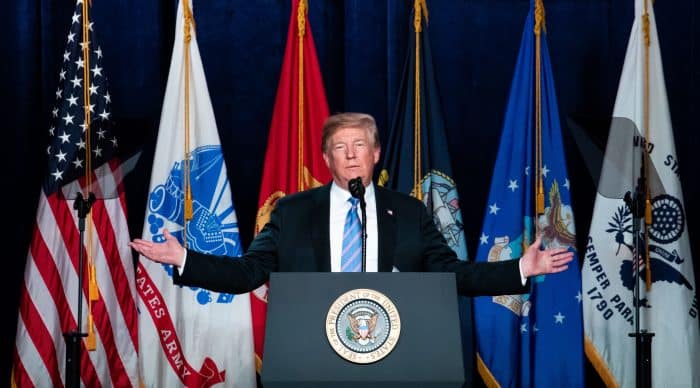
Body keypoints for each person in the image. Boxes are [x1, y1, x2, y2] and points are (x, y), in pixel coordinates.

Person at [130, 112, 573, 296]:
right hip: (313, 358)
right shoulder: (293, 212)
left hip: (392, 353)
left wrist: (519, 269)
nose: (350, 155)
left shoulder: (409, 212)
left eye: (359, 145)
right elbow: (248, 273)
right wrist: (185, 259)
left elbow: (451, 274)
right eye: (339, 147)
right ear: (326, 159)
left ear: (376, 154)